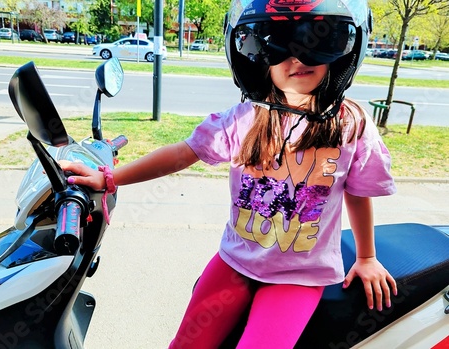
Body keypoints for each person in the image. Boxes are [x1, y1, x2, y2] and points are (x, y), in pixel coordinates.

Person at [60, 0, 397, 347]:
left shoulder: (350, 125)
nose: (297, 57)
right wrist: (110, 178)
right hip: (236, 260)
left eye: (316, 39)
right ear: (258, 59)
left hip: (299, 275)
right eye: (275, 42)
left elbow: (357, 192)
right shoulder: (244, 119)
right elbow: (182, 153)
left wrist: (366, 257)